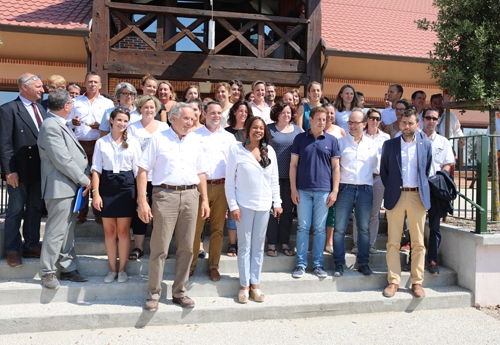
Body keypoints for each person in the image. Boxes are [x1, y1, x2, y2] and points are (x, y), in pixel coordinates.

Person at [138, 102, 209, 311]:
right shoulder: (158, 138)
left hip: (190, 195)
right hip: (164, 195)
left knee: (187, 247)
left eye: (193, 119)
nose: (191, 122)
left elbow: (201, 172)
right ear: (174, 118)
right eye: (186, 118)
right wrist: (142, 201)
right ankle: (153, 294)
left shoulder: (195, 141)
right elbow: (142, 170)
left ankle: (179, 292)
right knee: (160, 248)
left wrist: (204, 199)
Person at [37, 90, 90, 289]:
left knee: (67, 231)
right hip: (59, 187)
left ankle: (67, 267)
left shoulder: (58, 123)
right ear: (66, 106)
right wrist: (84, 179)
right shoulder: (51, 125)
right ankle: (47, 272)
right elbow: (62, 160)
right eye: (71, 102)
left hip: (69, 187)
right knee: (56, 231)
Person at [225, 116, 282, 303]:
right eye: (254, 127)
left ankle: (255, 284)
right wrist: (233, 205)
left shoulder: (270, 151)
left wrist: (277, 202)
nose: (258, 130)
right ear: (248, 129)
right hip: (243, 205)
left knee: (258, 246)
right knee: (245, 246)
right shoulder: (236, 150)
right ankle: (244, 285)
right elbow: (230, 181)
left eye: (261, 128)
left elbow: (274, 179)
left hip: (264, 205)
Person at [380, 109, 432, 299]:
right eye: (404, 123)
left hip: (417, 196)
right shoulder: (390, 145)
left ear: (417, 125)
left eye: (411, 123)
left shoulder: (425, 145)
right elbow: (384, 172)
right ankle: (393, 281)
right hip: (396, 196)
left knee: (418, 242)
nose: (407, 126)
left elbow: (425, 171)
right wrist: (394, 189)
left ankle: (417, 282)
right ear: (399, 124)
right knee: (393, 241)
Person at [0, 73, 46, 267]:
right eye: (38, 87)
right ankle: (12, 249)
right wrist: (9, 171)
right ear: (24, 87)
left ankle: (31, 245)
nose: (43, 90)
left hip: (38, 170)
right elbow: (4, 143)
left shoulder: (42, 110)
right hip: (18, 170)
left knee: (34, 209)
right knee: (16, 210)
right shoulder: (9, 109)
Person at [92, 108, 142, 283]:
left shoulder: (133, 142)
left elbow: (138, 171)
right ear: (111, 121)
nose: (122, 124)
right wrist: (96, 193)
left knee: (123, 230)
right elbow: (96, 169)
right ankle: (112, 269)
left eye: (125, 121)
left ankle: (122, 270)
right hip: (106, 186)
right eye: (119, 120)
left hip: (126, 186)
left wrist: (141, 196)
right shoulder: (101, 143)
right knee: (109, 231)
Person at [290, 106, 340, 279]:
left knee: (319, 229)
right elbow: (293, 165)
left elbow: (335, 167)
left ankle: (318, 264)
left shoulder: (332, 140)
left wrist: (335, 190)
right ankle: (301, 264)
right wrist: (293, 188)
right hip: (302, 191)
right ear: (310, 120)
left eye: (324, 119)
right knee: (303, 227)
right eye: (318, 119)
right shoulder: (299, 139)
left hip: (323, 191)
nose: (321, 122)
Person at [189, 101, 237, 281]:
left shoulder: (229, 137)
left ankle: (214, 266)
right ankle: (191, 264)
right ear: (204, 114)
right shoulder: (194, 136)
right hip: (199, 187)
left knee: (217, 229)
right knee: (196, 228)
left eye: (219, 113)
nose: (216, 116)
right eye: (212, 113)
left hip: (222, 187)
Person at [333, 109, 379, 277]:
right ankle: (339, 263)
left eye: (355, 123)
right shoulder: (340, 142)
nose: (351, 126)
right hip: (345, 188)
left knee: (364, 229)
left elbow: (376, 169)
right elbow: (335, 167)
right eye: (349, 122)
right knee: (339, 228)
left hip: (366, 189)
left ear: (364, 124)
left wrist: (365, 182)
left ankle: (363, 263)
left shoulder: (372, 144)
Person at [68, 71, 114, 224]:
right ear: (85, 83)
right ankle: (81, 213)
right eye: (90, 81)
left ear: (100, 85)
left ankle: (98, 213)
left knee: (97, 177)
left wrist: (101, 126)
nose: (92, 84)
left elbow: (112, 124)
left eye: (95, 82)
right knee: (80, 178)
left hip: (98, 144)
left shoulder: (107, 104)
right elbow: (66, 120)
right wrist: (72, 123)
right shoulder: (75, 102)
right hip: (79, 144)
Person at [128, 95, 169, 260]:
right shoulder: (132, 128)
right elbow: (130, 151)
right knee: (140, 210)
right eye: (145, 107)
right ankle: (138, 247)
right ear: (139, 109)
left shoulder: (164, 127)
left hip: (159, 177)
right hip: (140, 176)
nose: (149, 110)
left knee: (160, 214)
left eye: (152, 107)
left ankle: (159, 248)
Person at [421, 107, 455, 275]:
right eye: (428, 117)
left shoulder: (443, 142)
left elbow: (448, 165)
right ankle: (414, 259)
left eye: (434, 118)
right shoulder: (414, 138)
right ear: (422, 119)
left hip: (435, 190)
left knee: (435, 227)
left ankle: (432, 260)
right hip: (417, 189)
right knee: (416, 227)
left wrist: (436, 180)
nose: (431, 121)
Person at [266, 101, 302, 257]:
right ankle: (272, 243)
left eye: (288, 112)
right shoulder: (269, 129)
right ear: (276, 114)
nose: (286, 115)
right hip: (271, 177)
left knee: (287, 212)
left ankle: (285, 242)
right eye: (282, 112)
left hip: (291, 179)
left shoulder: (298, 131)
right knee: (272, 212)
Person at [351, 109, 389, 255]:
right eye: (372, 118)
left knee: (374, 213)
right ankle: (356, 243)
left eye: (377, 118)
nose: (375, 121)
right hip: (362, 178)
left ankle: (371, 244)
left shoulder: (386, 137)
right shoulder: (359, 135)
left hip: (379, 178)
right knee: (359, 213)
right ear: (367, 120)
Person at [225, 100, 254, 255]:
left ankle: (246, 244)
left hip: (247, 178)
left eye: (246, 111)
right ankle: (232, 244)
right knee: (232, 210)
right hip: (231, 176)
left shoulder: (251, 132)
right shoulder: (226, 132)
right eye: (240, 111)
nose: (243, 114)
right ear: (234, 112)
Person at [323, 103, 346, 254]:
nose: (330, 116)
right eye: (327, 113)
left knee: (331, 210)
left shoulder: (340, 131)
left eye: (332, 113)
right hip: (320, 176)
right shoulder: (316, 130)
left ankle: (329, 241)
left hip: (335, 175)